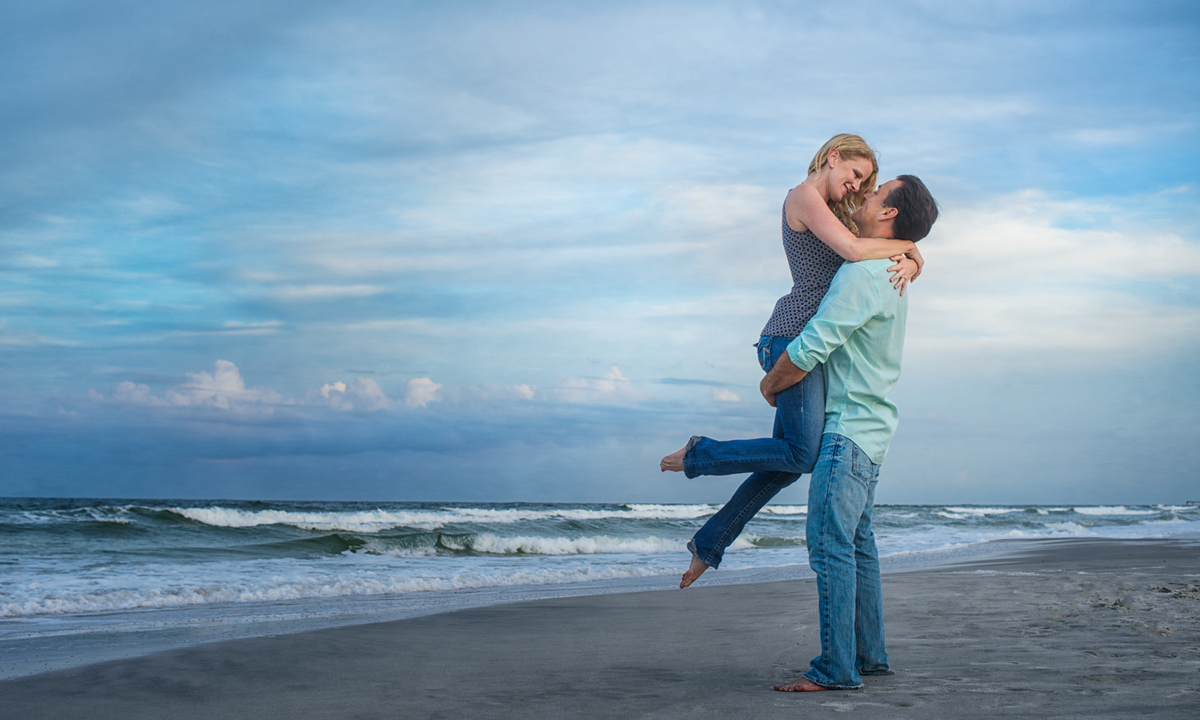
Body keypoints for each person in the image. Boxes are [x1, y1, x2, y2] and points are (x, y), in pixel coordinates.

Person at [660, 135, 921, 588]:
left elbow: (877, 244)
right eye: (854, 174)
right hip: (788, 337)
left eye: (865, 183)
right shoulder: (802, 197)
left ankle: (708, 544)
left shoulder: (841, 215)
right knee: (802, 455)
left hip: (809, 346)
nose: (856, 185)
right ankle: (701, 454)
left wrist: (914, 258)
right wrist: (912, 250)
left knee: (785, 465)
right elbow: (860, 252)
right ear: (833, 156)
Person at [761, 174, 939, 691]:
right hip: (873, 431)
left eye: (877, 192)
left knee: (829, 546)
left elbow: (814, 343)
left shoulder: (863, 274)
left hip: (846, 434)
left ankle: (836, 669)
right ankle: (869, 655)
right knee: (858, 544)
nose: (865, 193)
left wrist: (771, 383)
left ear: (887, 214)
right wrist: (915, 252)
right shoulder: (890, 267)